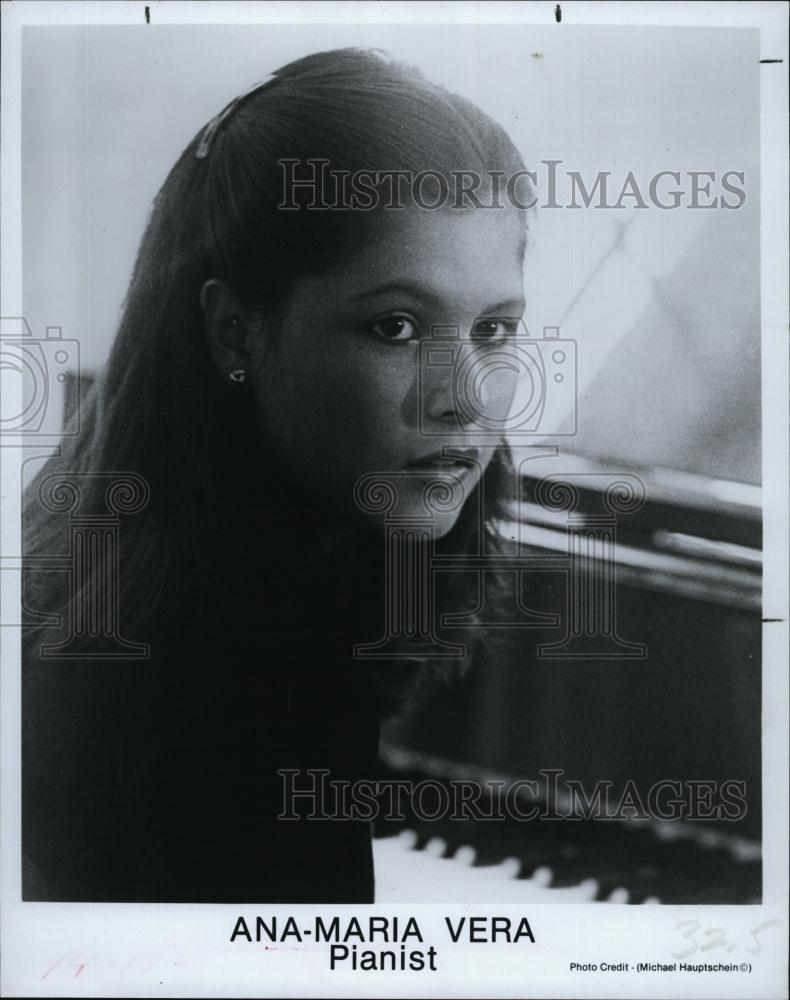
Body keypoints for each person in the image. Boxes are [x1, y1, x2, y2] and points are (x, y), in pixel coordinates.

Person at [21, 47, 530, 902]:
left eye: (492, 331)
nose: (464, 401)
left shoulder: (147, 571)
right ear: (235, 333)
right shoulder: (251, 672)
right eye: (397, 327)